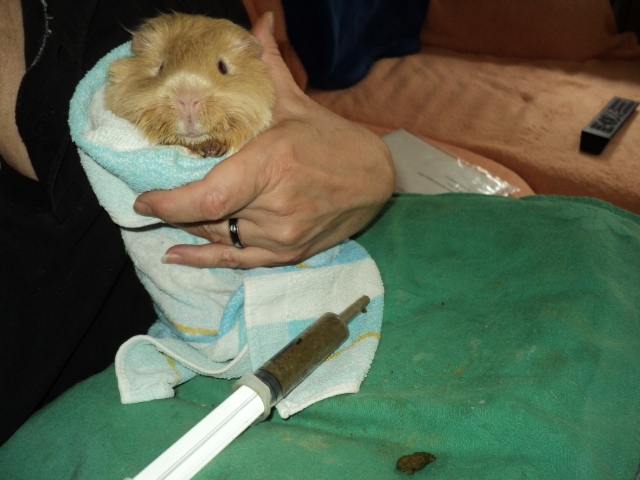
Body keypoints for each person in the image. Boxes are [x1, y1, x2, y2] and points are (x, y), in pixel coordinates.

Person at [0, 0, 394, 445]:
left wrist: (369, 166)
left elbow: (289, 133)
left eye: (222, 69)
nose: (188, 102)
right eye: (161, 69)